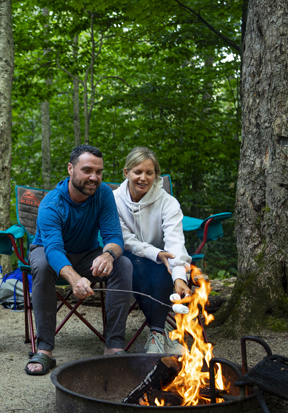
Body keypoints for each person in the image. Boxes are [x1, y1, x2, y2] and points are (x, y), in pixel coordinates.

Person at [25, 145, 133, 375]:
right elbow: (53, 249)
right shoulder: (51, 204)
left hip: (86, 253)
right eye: (87, 170)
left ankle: (114, 345)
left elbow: (114, 237)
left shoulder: (103, 194)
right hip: (46, 251)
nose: (94, 177)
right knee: (43, 267)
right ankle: (44, 350)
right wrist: (74, 279)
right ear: (71, 169)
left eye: (99, 172)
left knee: (123, 264)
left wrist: (108, 255)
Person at [113, 147, 192, 354]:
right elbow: (124, 239)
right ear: (126, 172)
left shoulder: (168, 202)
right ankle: (162, 332)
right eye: (137, 172)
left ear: (156, 175)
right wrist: (154, 253)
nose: (143, 178)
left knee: (162, 266)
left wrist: (179, 278)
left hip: (161, 260)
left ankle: (158, 334)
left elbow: (175, 243)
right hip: (131, 256)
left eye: (149, 173)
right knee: (134, 263)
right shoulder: (113, 200)